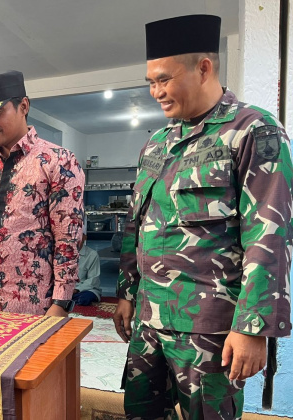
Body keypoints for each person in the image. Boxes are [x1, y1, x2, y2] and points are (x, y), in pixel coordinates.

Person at [113, 15, 293, 419]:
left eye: (164, 79)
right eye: (150, 82)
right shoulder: (157, 144)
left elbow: (270, 234)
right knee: (140, 412)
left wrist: (252, 328)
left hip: (209, 329)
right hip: (148, 322)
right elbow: (136, 225)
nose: (155, 92)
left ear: (204, 68)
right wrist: (126, 293)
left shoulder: (253, 131)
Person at [0, 71, 85, 316]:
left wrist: (61, 303)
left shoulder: (58, 161)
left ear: (23, 106)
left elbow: (67, 240)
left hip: (32, 308)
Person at [72, 219, 100, 306]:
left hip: (84, 290)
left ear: (84, 237)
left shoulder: (92, 255)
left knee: (85, 298)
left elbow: (93, 280)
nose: (75, 239)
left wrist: (76, 289)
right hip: (63, 290)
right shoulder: (61, 253)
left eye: (78, 236)